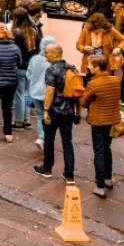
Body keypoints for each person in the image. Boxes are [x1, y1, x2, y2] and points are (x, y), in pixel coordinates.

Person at [33, 43, 81, 185]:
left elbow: (49, 92)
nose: (44, 54)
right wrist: (78, 111)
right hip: (69, 112)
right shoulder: (72, 68)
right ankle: (69, 175)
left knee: (49, 140)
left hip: (54, 111)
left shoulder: (51, 70)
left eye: (47, 52)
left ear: (55, 54)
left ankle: (47, 169)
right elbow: (78, 92)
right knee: (67, 143)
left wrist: (46, 111)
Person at [80, 55, 121, 198]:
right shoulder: (116, 80)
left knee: (99, 152)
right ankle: (108, 178)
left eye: (90, 65)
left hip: (98, 121)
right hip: (112, 120)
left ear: (97, 67)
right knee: (107, 148)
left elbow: (84, 102)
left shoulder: (94, 83)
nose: (88, 67)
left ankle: (99, 186)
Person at [27, 35, 56, 152]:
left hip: (35, 92)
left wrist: (34, 84)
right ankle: (47, 140)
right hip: (49, 93)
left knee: (39, 116)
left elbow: (29, 75)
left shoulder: (34, 59)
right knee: (50, 116)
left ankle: (41, 138)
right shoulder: (53, 61)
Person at [76, 12, 124, 76]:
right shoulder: (86, 30)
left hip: (106, 64)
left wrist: (119, 48)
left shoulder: (110, 30)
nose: (98, 29)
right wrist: (84, 48)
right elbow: (78, 44)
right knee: (90, 82)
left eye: (100, 27)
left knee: (105, 84)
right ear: (92, 25)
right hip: (90, 64)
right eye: (95, 28)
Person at [11, 6, 38, 130]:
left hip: (19, 66)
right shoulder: (33, 31)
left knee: (19, 94)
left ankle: (18, 121)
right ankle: (27, 120)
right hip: (31, 66)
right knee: (27, 93)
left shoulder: (16, 32)